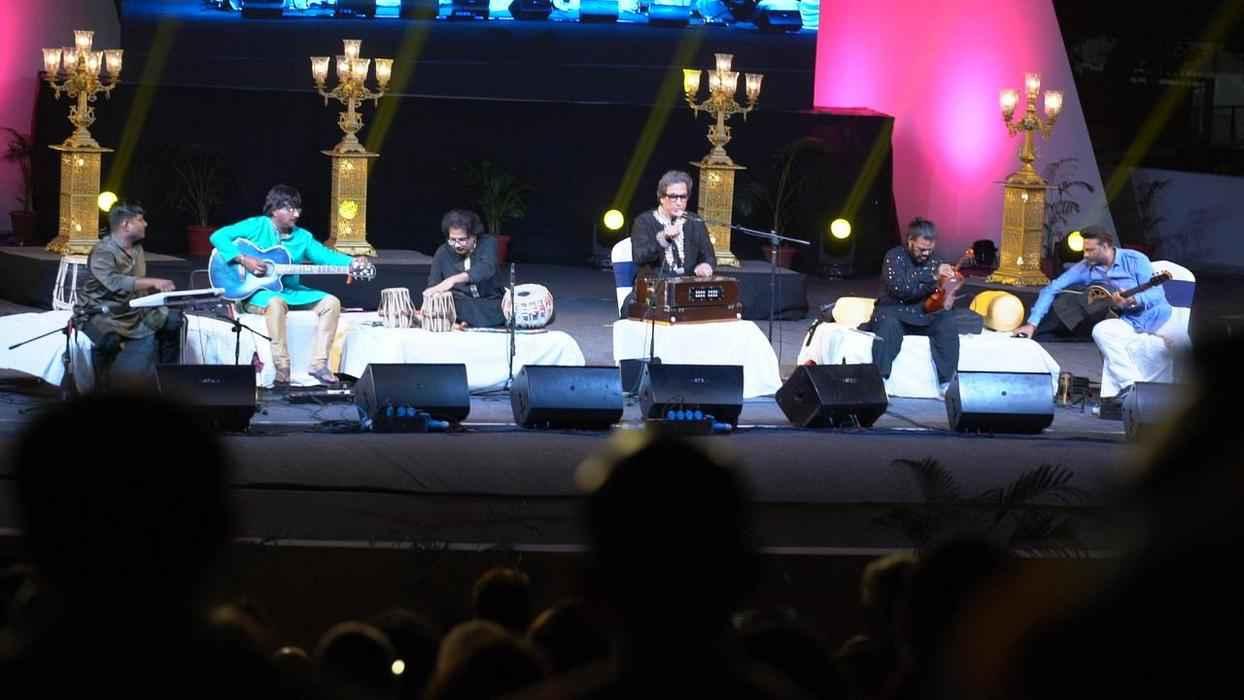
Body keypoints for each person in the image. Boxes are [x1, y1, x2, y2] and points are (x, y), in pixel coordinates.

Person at [209, 184, 369, 386]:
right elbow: (217, 236)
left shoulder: (302, 237)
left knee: (331, 302)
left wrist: (352, 263)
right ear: (274, 210)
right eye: (290, 209)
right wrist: (243, 259)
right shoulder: (257, 225)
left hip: (292, 292)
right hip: (259, 293)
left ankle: (319, 364)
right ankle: (282, 367)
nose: (296, 214)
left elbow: (325, 256)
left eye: (298, 209)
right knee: (276, 303)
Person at [1013, 224, 1185, 402]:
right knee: (1101, 331)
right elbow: (1052, 288)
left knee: (1186, 350)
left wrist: (1134, 300)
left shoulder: (1136, 259)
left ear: (1105, 246)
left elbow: (1156, 294)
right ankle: (1131, 386)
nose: (1085, 255)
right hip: (1130, 321)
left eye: (1090, 250)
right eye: (1084, 250)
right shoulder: (1085, 267)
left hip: (1160, 317)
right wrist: (1032, 324)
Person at [73, 202, 182, 392]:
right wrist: (153, 282)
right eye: (140, 220)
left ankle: (167, 383)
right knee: (109, 340)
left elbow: (136, 285)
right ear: (126, 224)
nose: (145, 223)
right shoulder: (103, 251)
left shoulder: (137, 249)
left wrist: (154, 299)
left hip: (133, 309)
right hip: (102, 311)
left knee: (172, 320)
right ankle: (101, 391)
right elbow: (114, 282)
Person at [863, 217, 960, 393]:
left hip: (922, 313)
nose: (926, 253)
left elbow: (937, 293)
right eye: (922, 249)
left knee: (947, 322)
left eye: (930, 249)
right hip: (893, 310)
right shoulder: (894, 257)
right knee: (888, 326)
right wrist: (932, 275)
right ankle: (879, 382)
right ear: (910, 241)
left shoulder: (935, 261)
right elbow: (902, 289)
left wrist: (948, 289)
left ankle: (947, 383)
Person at [624, 170, 716, 317]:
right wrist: (665, 238)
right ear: (661, 198)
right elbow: (640, 257)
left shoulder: (695, 221)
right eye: (673, 197)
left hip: (687, 291)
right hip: (653, 291)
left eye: (683, 197)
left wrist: (706, 265)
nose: (679, 202)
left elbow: (709, 256)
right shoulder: (644, 222)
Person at [423, 209, 506, 328]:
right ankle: (456, 321)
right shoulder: (443, 252)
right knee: (451, 300)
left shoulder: (488, 243)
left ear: (474, 236)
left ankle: (464, 320)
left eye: (462, 239)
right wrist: (433, 295)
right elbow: (434, 284)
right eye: (452, 240)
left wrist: (452, 280)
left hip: (490, 303)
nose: (457, 245)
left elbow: (486, 268)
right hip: (460, 305)